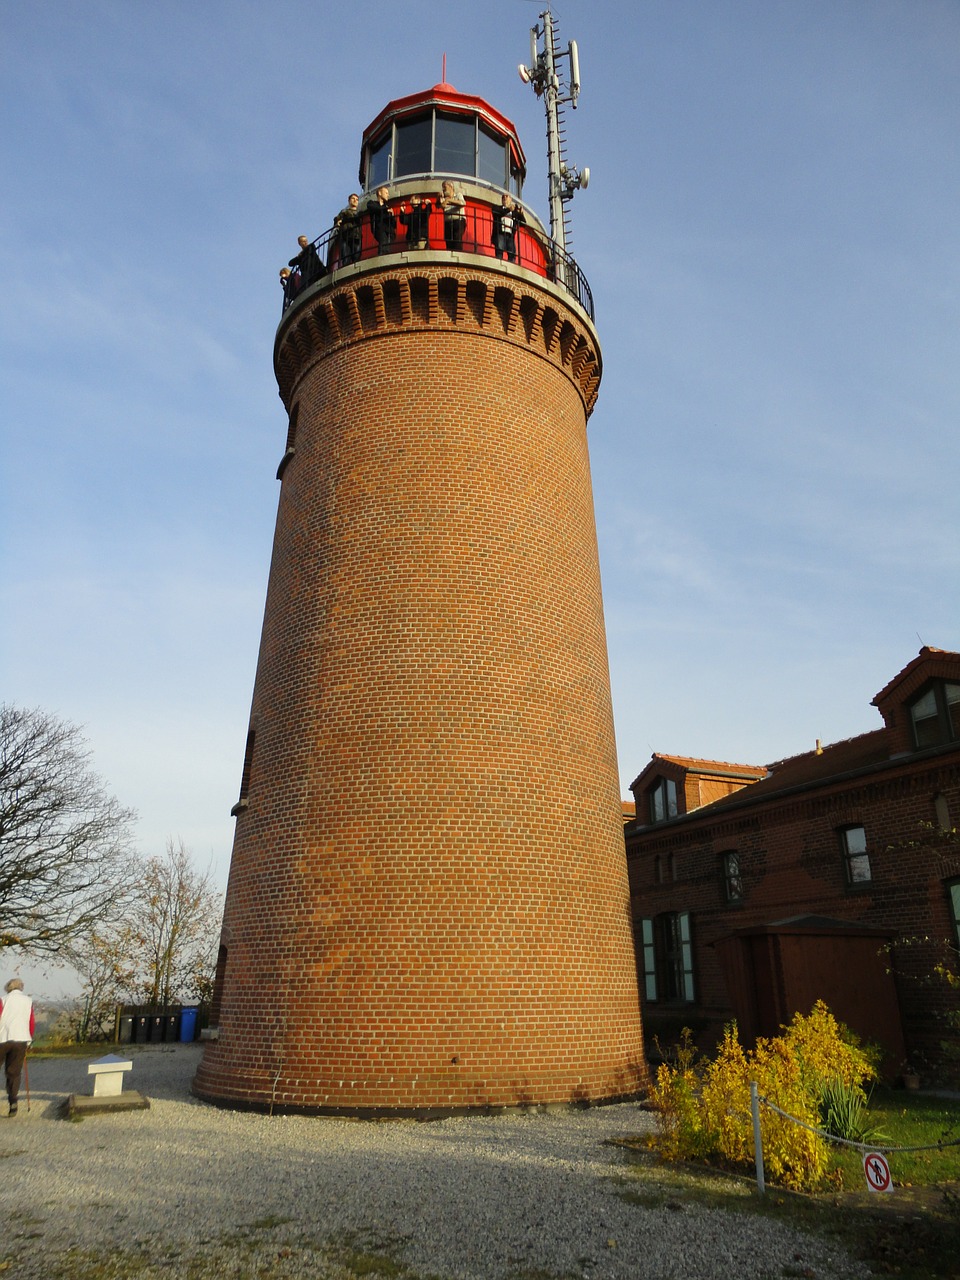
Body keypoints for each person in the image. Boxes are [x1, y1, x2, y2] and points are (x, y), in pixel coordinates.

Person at [0, 978, 34, 1118]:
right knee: (13, 1072)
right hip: (21, 1039)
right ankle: (13, 1102)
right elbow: (31, 1021)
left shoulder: (3, 999)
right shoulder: (28, 1001)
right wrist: (29, 1039)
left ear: (8, 987)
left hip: (3, 1038)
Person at [492, 193, 525, 262]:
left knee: (511, 253)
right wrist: (509, 209)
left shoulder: (514, 213)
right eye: (503, 197)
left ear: (511, 199)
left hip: (510, 235)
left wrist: (521, 214)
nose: (505, 198)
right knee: (499, 251)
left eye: (507, 196)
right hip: (500, 233)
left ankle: (511, 266)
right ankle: (499, 265)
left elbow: (523, 224)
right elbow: (499, 212)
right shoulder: (497, 208)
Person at [334, 193, 363, 267]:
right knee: (346, 257)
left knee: (356, 257)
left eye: (357, 199)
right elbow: (337, 219)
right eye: (353, 199)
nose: (355, 200)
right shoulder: (344, 212)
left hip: (356, 236)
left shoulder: (360, 213)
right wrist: (338, 221)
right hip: (346, 236)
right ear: (349, 201)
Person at [366, 185, 396, 255]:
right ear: (379, 193)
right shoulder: (372, 203)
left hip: (389, 231)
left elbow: (393, 224)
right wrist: (386, 210)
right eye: (386, 193)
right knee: (384, 246)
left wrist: (392, 216)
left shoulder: (387, 208)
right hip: (379, 228)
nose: (388, 195)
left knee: (387, 248)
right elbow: (373, 208)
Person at [439, 180, 466, 251]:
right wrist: (438, 198)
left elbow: (463, 203)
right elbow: (439, 206)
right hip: (447, 222)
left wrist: (449, 200)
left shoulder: (458, 195)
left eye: (444, 187)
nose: (443, 189)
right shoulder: (443, 198)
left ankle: (458, 254)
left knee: (457, 239)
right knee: (448, 240)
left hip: (458, 220)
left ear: (451, 186)